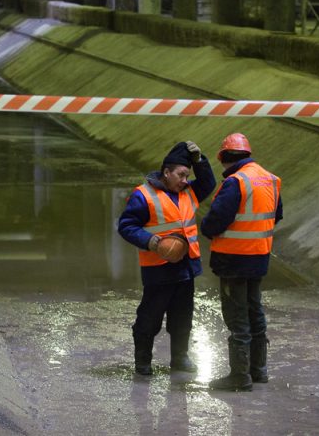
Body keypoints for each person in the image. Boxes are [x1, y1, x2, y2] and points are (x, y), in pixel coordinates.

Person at [119, 141, 215, 375]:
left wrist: (199, 161)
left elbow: (209, 183)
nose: (185, 180)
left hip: (186, 267)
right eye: (181, 175)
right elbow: (126, 225)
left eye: (187, 175)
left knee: (182, 318)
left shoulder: (188, 192)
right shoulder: (144, 196)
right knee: (149, 318)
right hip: (158, 269)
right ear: (166, 172)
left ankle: (180, 358)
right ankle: (143, 362)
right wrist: (151, 242)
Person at [201, 133, 283, 391]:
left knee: (237, 316)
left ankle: (240, 376)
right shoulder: (270, 179)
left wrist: (207, 227)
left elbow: (214, 222)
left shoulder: (236, 182)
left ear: (224, 158)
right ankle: (259, 371)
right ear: (248, 154)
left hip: (233, 259)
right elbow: (276, 215)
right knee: (254, 309)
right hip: (259, 256)